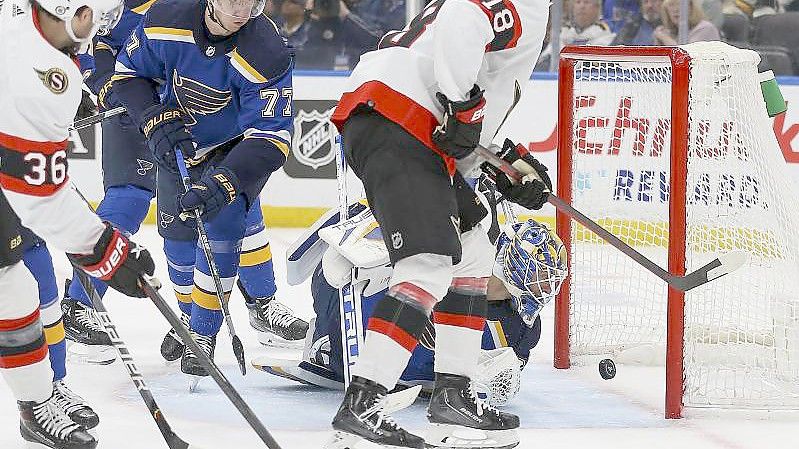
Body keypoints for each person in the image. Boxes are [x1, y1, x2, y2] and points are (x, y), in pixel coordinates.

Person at [327, 0, 553, 446]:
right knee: (427, 263)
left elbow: (462, 118)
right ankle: (364, 403)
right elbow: (462, 20)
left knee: (475, 246)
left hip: (403, 119)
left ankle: (453, 394)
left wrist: (510, 166)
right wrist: (465, 109)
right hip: (399, 120)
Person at [112, 0, 302, 381]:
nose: (241, 10)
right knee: (179, 239)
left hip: (236, 149)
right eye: (233, 0)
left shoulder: (266, 50)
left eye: (251, 2)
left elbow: (271, 136)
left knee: (225, 224)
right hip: (178, 142)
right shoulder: (167, 19)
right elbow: (128, 74)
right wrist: (151, 118)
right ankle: (188, 314)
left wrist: (229, 180)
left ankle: (204, 331)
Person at [0, 0, 155, 447]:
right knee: (12, 286)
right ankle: (37, 400)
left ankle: (38, 398)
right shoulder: (41, 76)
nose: (100, 29)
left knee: (13, 286)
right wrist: (107, 253)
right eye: (98, 18)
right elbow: (42, 203)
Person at [257, 200, 567, 410]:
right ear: (514, 267)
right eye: (540, 274)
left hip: (410, 372)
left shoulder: (524, 329)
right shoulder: (458, 259)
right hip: (362, 327)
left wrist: (489, 375)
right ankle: (327, 345)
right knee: (343, 274)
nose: (546, 286)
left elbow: (500, 383)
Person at [653, 0, 720, 45]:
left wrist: (664, 37)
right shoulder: (667, 31)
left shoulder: (706, 28)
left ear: (691, 7)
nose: (676, 9)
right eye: (671, 5)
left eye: (679, 5)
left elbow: (685, 56)